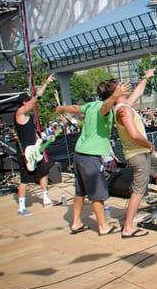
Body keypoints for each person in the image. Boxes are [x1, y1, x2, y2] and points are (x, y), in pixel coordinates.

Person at [55, 79, 129, 235]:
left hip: (79, 154)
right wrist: (115, 95)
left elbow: (75, 108)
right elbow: (105, 108)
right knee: (97, 194)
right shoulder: (104, 109)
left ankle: (76, 223)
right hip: (90, 156)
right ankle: (103, 227)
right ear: (112, 94)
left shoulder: (91, 105)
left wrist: (62, 108)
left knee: (80, 192)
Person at [114, 69, 157, 238]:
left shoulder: (124, 105)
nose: (124, 86)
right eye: (120, 86)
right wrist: (148, 144)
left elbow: (138, 92)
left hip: (142, 153)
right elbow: (133, 134)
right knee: (139, 190)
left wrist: (146, 77)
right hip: (137, 154)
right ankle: (128, 228)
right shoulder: (122, 111)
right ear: (115, 92)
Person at [14, 74, 57, 216]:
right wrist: (46, 83)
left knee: (43, 172)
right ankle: (21, 207)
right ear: (24, 103)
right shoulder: (20, 113)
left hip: (34, 150)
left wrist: (44, 139)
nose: (30, 103)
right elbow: (35, 100)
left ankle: (46, 198)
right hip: (25, 153)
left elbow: (32, 134)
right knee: (25, 179)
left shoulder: (27, 116)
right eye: (28, 101)